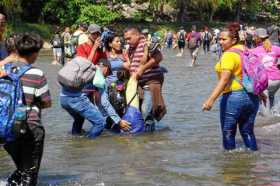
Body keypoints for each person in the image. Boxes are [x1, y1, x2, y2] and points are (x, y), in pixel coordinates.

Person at [202, 22, 266, 151]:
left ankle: (229, 167)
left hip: (233, 97)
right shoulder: (246, 51)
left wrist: (210, 100)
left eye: (224, 39)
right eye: (219, 39)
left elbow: (225, 80)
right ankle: (253, 160)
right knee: (247, 132)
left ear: (234, 40)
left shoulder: (228, 55)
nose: (220, 42)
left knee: (228, 132)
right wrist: (260, 93)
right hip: (252, 97)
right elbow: (250, 73)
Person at [3, 32, 51, 186]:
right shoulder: (37, 73)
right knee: (30, 174)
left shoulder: (3, 69)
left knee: (22, 170)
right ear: (35, 53)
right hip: (30, 127)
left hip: (6, 128)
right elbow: (47, 102)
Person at [124, 27, 166, 131]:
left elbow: (159, 57)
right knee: (139, 111)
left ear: (137, 35)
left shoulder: (147, 43)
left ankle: (148, 137)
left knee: (146, 111)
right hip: (138, 83)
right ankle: (147, 135)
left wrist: (143, 68)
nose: (127, 41)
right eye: (126, 39)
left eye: (129, 38)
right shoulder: (130, 48)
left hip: (150, 81)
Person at [251, 28, 280, 110]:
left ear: (257, 38)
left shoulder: (254, 51)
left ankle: (267, 119)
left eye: (254, 37)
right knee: (271, 96)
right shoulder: (275, 48)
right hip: (278, 80)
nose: (253, 39)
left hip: (266, 81)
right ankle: (275, 117)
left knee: (264, 104)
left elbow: (251, 69)